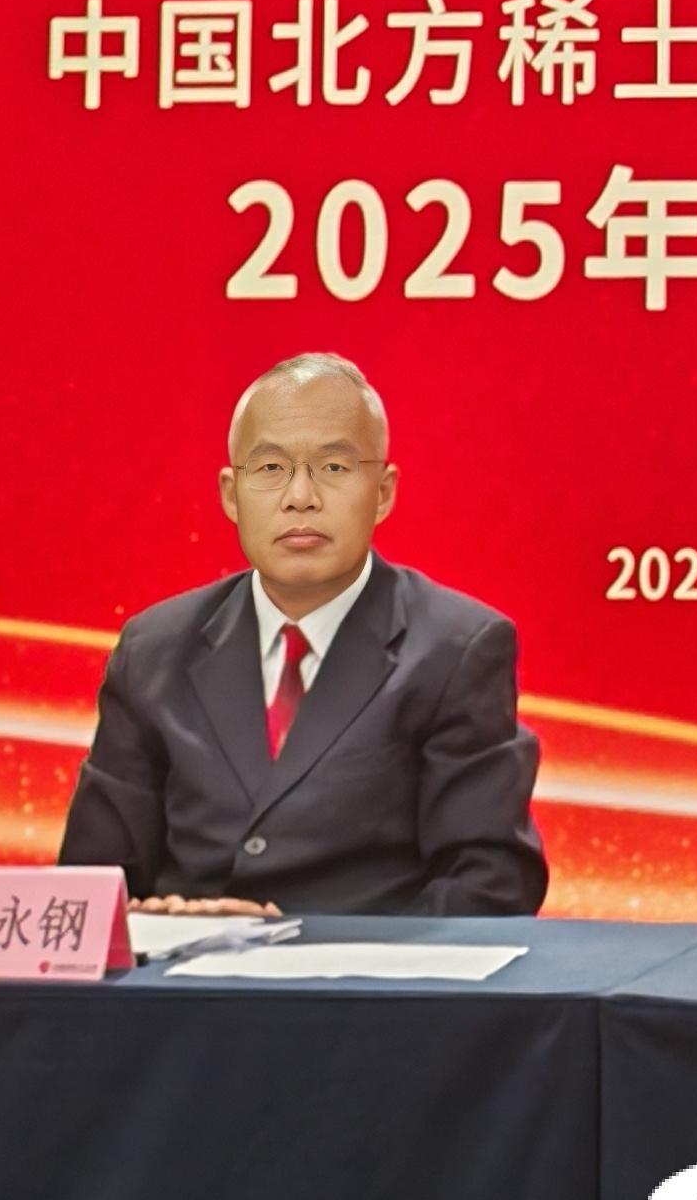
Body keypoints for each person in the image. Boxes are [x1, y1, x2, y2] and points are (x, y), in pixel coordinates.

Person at [59, 353, 546, 916]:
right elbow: (87, 889)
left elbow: (489, 887)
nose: (300, 496)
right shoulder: (154, 650)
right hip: (183, 969)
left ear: (383, 492)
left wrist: (295, 946)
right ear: (230, 494)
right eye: (270, 468)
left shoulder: (455, 649)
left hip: (362, 972)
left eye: (334, 467)